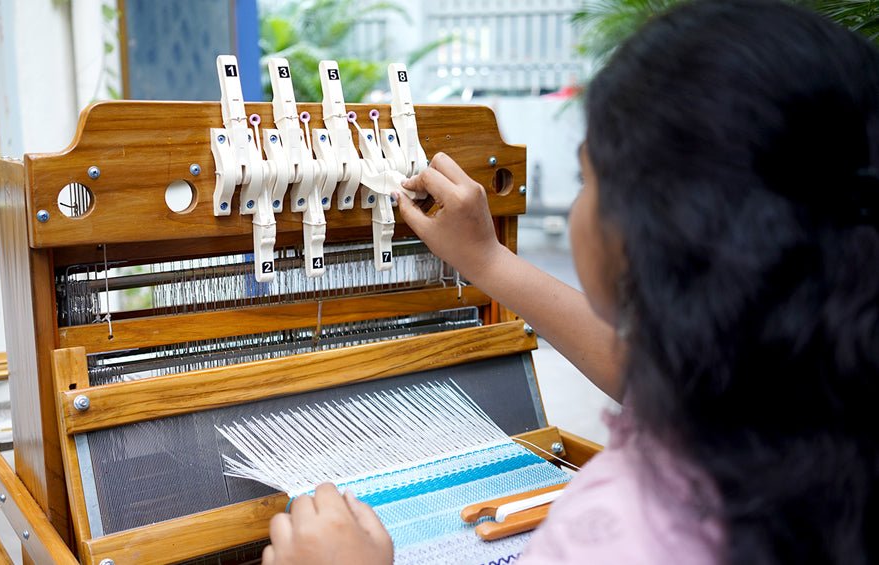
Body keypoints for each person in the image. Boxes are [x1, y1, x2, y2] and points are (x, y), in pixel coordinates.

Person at [260, 0, 879, 563]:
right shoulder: (796, 398)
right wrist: (489, 261)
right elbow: (653, 373)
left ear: (643, 238)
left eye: (588, 179)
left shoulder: (622, 537)